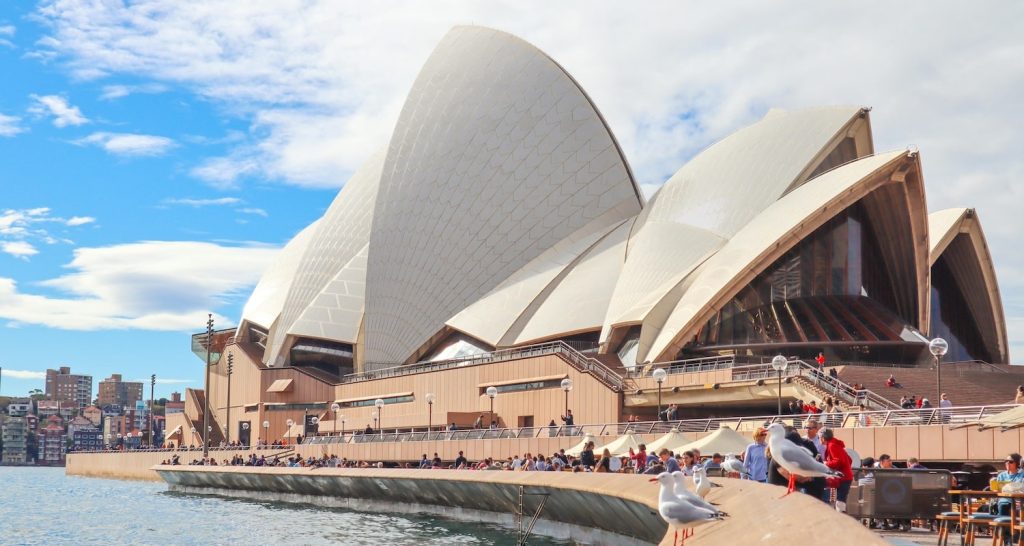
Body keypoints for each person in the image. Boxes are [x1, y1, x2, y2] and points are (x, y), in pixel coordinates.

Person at [822, 429, 853, 512]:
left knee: (840, 501)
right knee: (840, 501)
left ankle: (842, 521)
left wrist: (826, 463)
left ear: (822, 438)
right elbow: (849, 460)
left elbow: (838, 461)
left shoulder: (832, 445)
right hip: (844, 476)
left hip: (842, 477)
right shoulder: (835, 444)